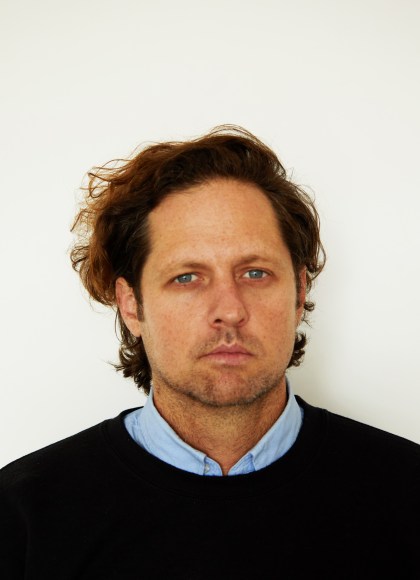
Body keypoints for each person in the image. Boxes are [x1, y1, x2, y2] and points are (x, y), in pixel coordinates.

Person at [1, 125, 419, 579]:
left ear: (299, 293)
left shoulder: (407, 491)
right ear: (131, 305)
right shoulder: (23, 514)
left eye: (255, 273)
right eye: (186, 277)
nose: (229, 310)